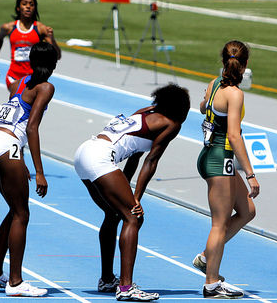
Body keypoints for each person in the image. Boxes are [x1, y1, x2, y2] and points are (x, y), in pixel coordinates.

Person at [74, 84, 190, 302]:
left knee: (114, 214)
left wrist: (127, 188)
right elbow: (151, 161)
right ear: (179, 109)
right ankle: (126, 287)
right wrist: (136, 197)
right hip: (100, 157)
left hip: (84, 152)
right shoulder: (172, 124)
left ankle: (108, 279)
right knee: (134, 216)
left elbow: (134, 155)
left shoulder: (145, 112)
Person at [0, 42, 58, 297]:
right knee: (22, 215)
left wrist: (20, 157)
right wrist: (39, 171)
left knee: (14, 211)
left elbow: (15, 117)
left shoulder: (20, 81)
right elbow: (32, 127)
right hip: (7, 143)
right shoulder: (46, 87)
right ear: (54, 64)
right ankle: (15, 282)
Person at [195, 40, 260, 299]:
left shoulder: (213, 84)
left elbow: (202, 108)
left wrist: (207, 101)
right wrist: (251, 174)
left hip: (210, 154)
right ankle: (211, 283)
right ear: (245, 65)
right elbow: (234, 135)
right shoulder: (235, 93)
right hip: (221, 158)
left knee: (247, 211)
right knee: (219, 224)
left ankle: (205, 257)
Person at [0, 0, 61, 89]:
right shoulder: (8, 27)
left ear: (35, 8)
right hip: (13, 76)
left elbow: (57, 56)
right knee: (20, 99)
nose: (28, 6)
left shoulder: (41, 29)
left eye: (31, 5)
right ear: (18, 8)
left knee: (28, 102)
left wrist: (52, 39)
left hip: (34, 77)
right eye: (24, 4)